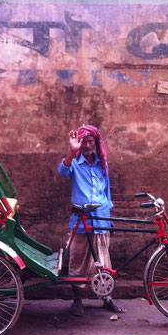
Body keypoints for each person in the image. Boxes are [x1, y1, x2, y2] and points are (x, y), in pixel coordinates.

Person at [58, 125, 124, 316]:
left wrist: (108, 218)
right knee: (77, 261)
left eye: (91, 141)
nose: (87, 145)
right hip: (81, 220)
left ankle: (106, 298)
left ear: (96, 143)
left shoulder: (102, 163)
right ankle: (77, 301)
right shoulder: (75, 163)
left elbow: (106, 192)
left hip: (102, 218)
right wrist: (72, 151)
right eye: (84, 141)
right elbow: (62, 171)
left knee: (103, 261)